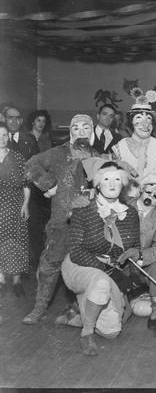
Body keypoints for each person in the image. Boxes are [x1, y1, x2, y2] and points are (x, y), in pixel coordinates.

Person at [22, 114, 99, 325]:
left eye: (86, 127)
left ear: (92, 131)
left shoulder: (99, 156)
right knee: (50, 263)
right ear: (71, 131)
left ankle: (79, 309)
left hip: (88, 223)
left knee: (87, 267)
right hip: (61, 221)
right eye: (76, 127)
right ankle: (40, 308)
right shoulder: (58, 153)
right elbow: (30, 164)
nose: (81, 131)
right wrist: (48, 184)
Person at [60, 160, 141, 355]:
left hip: (109, 271)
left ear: (123, 184)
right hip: (78, 266)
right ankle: (87, 334)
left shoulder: (130, 214)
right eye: (106, 179)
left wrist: (134, 253)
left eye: (117, 179)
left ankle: (80, 314)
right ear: (97, 184)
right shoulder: (83, 210)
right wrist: (108, 270)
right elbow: (77, 250)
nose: (112, 183)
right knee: (101, 282)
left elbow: (136, 246)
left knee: (113, 331)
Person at [128, 172, 156, 339]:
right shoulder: (123, 206)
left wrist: (140, 255)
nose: (154, 191)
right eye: (151, 186)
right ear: (142, 188)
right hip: (119, 264)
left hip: (142, 263)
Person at [111, 96, 156, 184]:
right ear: (131, 122)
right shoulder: (120, 146)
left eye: (149, 119)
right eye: (139, 118)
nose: (145, 124)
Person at [0, 122, 31, 297]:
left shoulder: (18, 158)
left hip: (15, 205)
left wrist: (25, 205)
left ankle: (17, 281)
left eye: (4, 135)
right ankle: (1, 279)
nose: (1, 139)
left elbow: (26, 184)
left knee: (17, 241)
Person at [25, 110, 53, 272]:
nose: (41, 124)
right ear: (32, 122)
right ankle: (30, 260)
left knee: (42, 224)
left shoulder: (46, 139)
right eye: (38, 120)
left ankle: (40, 259)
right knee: (31, 224)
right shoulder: (26, 138)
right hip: (29, 185)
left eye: (43, 121)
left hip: (42, 186)